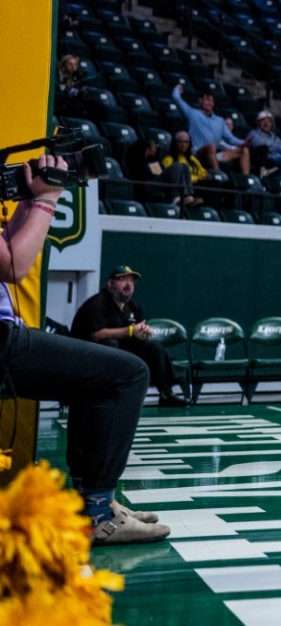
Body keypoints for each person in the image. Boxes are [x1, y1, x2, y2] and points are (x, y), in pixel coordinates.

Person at [2, 155, 169, 544]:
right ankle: (97, 511)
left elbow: (6, 250)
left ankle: (89, 501)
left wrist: (28, 200)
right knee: (129, 373)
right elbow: (13, 266)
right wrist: (49, 198)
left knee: (95, 380)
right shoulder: (98, 303)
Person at [71, 265, 188, 407]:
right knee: (111, 344)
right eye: (122, 279)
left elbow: (139, 332)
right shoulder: (97, 304)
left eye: (131, 281)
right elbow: (97, 335)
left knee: (154, 348)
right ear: (110, 284)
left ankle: (166, 393)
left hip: (121, 353)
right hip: (88, 355)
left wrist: (143, 334)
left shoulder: (132, 307)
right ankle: (111, 393)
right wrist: (131, 331)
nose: (128, 284)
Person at [171, 81, 250, 175]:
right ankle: (218, 175)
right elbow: (176, 97)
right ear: (200, 100)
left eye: (212, 101)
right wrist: (178, 87)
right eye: (207, 99)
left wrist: (243, 142)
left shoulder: (220, 120)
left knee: (244, 150)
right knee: (211, 146)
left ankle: (246, 178)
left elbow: (230, 138)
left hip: (214, 154)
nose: (210, 103)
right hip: (197, 153)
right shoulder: (192, 113)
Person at [160, 130, 209, 206]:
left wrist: (198, 178)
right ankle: (181, 199)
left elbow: (204, 174)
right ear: (175, 143)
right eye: (180, 142)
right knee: (180, 167)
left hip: (194, 186)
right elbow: (171, 177)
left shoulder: (193, 159)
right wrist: (196, 178)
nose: (183, 145)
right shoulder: (168, 159)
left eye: (186, 142)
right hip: (177, 189)